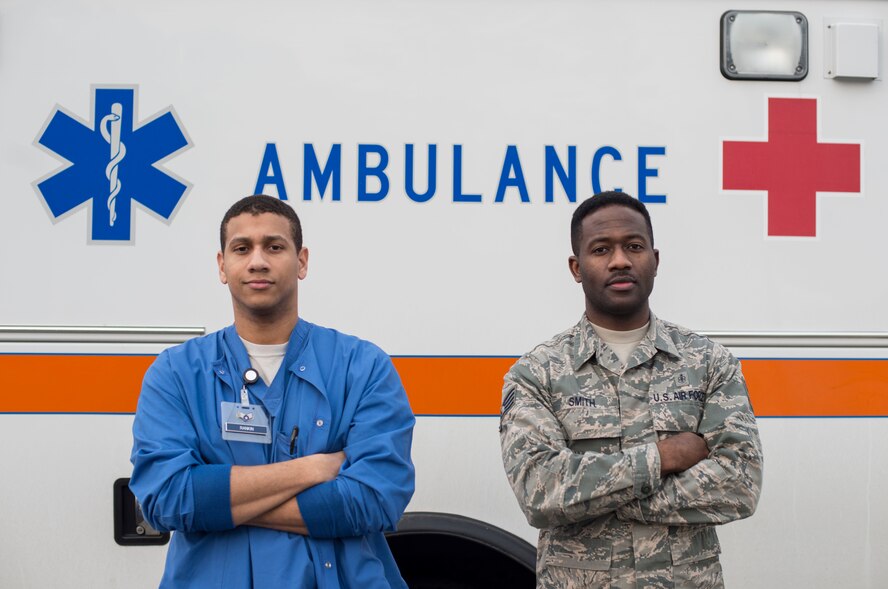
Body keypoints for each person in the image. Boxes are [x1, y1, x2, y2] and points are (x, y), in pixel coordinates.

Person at [130, 194, 415, 588]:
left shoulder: (363, 367)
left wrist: (219, 501)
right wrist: (312, 469)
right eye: (242, 248)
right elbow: (166, 498)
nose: (258, 260)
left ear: (302, 261)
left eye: (275, 246)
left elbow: (373, 499)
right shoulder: (176, 373)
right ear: (222, 266)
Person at [499, 191, 763, 588]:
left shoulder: (708, 363)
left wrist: (602, 501)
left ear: (655, 260)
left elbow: (740, 483)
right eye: (601, 249)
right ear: (576, 267)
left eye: (634, 246)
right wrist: (663, 457)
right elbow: (541, 492)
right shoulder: (538, 373)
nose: (620, 260)